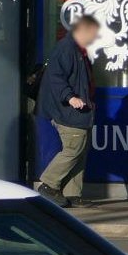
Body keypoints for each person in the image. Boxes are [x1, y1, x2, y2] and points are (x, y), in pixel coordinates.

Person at [34, 14, 99, 206]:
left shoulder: (78, 50)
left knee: (80, 150)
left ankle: (72, 194)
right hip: (67, 110)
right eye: (93, 33)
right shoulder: (67, 49)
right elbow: (56, 78)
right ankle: (48, 184)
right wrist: (70, 98)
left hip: (80, 109)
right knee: (73, 148)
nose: (95, 38)